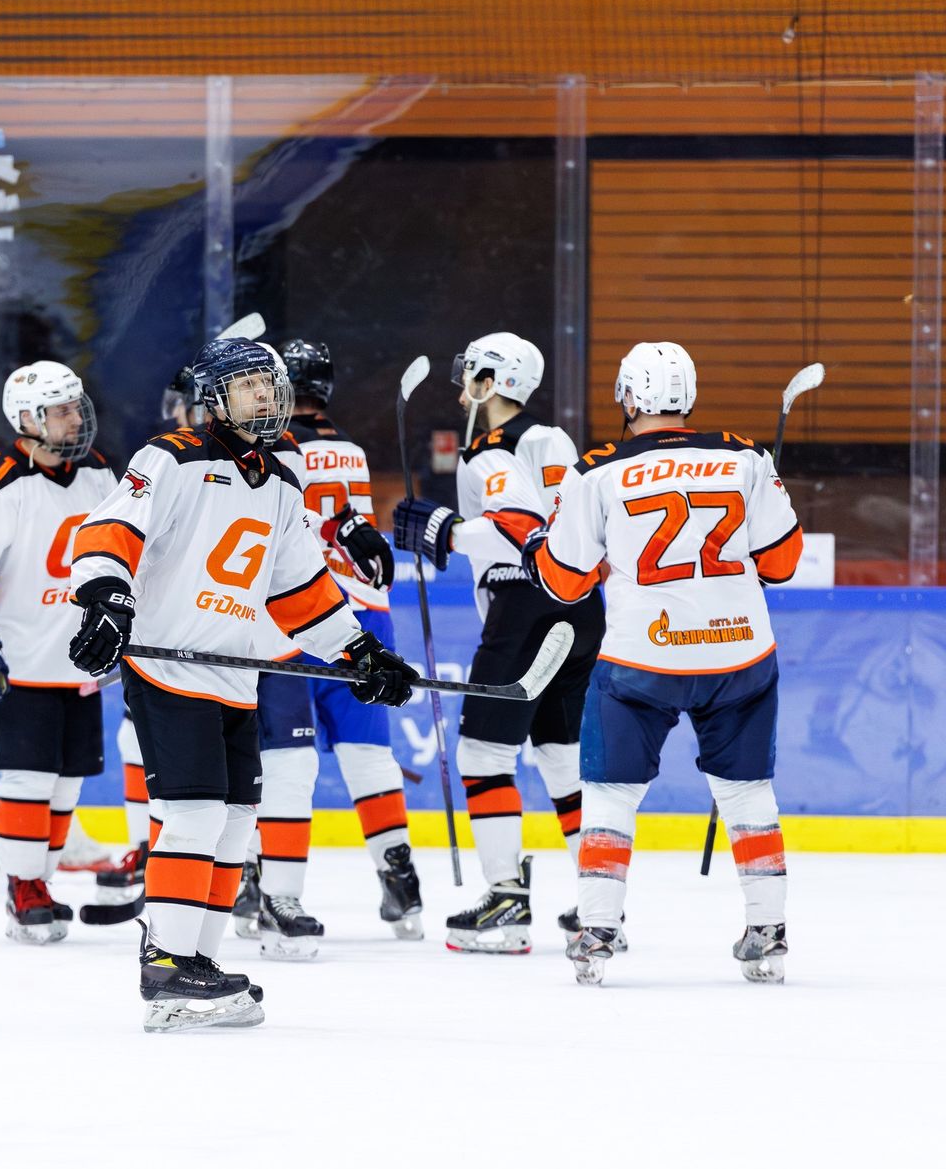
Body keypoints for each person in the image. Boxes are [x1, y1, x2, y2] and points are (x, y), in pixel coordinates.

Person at [67, 336, 416, 1031]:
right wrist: (105, 595)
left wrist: (359, 652)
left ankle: (198, 959)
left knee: (233, 822)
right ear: (216, 398)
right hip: (170, 668)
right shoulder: (171, 456)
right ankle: (166, 964)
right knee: (195, 813)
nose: (264, 393)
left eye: (269, 382)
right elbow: (111, 527)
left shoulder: (282, 480)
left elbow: (300, 588)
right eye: (248, 383)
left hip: (236, 674)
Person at [523, 340, 802, 985]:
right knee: (747, 791)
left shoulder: (597, 469)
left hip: (642, 656)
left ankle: (598, 927)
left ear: (627, 397)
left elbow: (563, 583)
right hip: (740, 651)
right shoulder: (746, 456)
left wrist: (541, 543)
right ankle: (768, 929)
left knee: (611, 793)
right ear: (690, 396)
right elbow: (783, 565)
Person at [393, 332, 605, 954]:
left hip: (524, 607)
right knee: (562, 755)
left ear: (492, 381)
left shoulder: (492, 448)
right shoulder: (554, 438)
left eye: (472, 375)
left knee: (483, 754)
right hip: (581, 605)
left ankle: (506, 901)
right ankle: (603, 902)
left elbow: (519, 527)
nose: (463, 387)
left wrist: (444, 531)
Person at [237, 338, 417, 958]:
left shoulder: (277, 446)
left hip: (295, 614)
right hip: (364, 614)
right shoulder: (353, 452)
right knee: (367, 754)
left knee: (278, 760)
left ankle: (254, 878)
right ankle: (401, 878)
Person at [0, 362, 117, 941]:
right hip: (18, 660)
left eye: (75, 407)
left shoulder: (99, 474)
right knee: (29, 778)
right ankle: (23, 885)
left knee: (67, 784)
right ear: (27, 419)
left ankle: (42, 879)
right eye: (61, 410)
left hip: (78, 660)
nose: (75, 419)